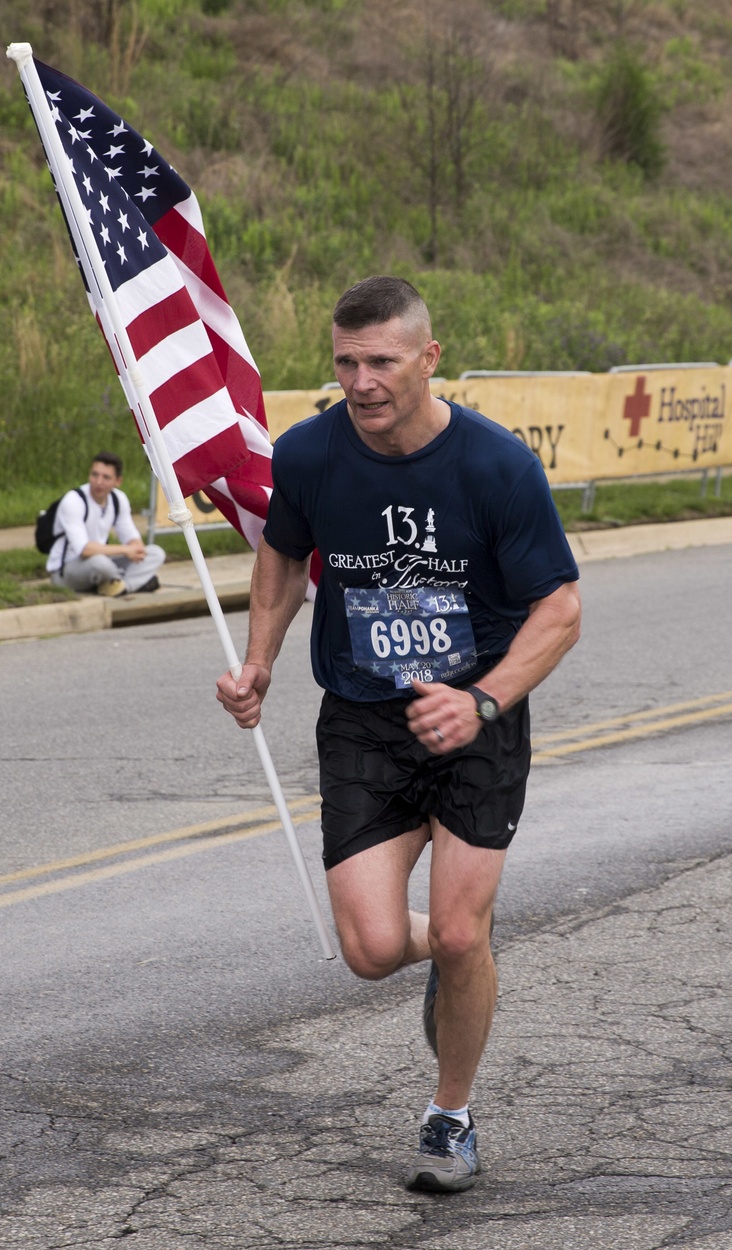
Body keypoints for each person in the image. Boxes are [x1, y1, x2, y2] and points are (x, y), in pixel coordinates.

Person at [216, 276, 581, 1192]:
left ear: (429, 358)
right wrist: (258, 660)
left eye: (382, 361)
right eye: (346, 362)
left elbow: (561, 608)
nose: (362, 381)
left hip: (474, 721)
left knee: (460, 934)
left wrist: (483, 701)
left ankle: (449, 1116)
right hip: (363, 721)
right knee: (374, 950)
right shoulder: (307, 455)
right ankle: (459, 963)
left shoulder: (497, 465)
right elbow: (283, 558)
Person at [46, 451, 165, 597]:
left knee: (155, 553)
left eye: (106, 477)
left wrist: (136, 549)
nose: (98, 482)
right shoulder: (74, 500)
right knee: (101, 564)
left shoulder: (118, 499)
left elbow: (130, 536)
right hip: (67, 569)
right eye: (94, 475)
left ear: (118, 481)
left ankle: (122, 586)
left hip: (102, 559)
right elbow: (84, 550)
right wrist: (125, 550)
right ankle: (125, 581)